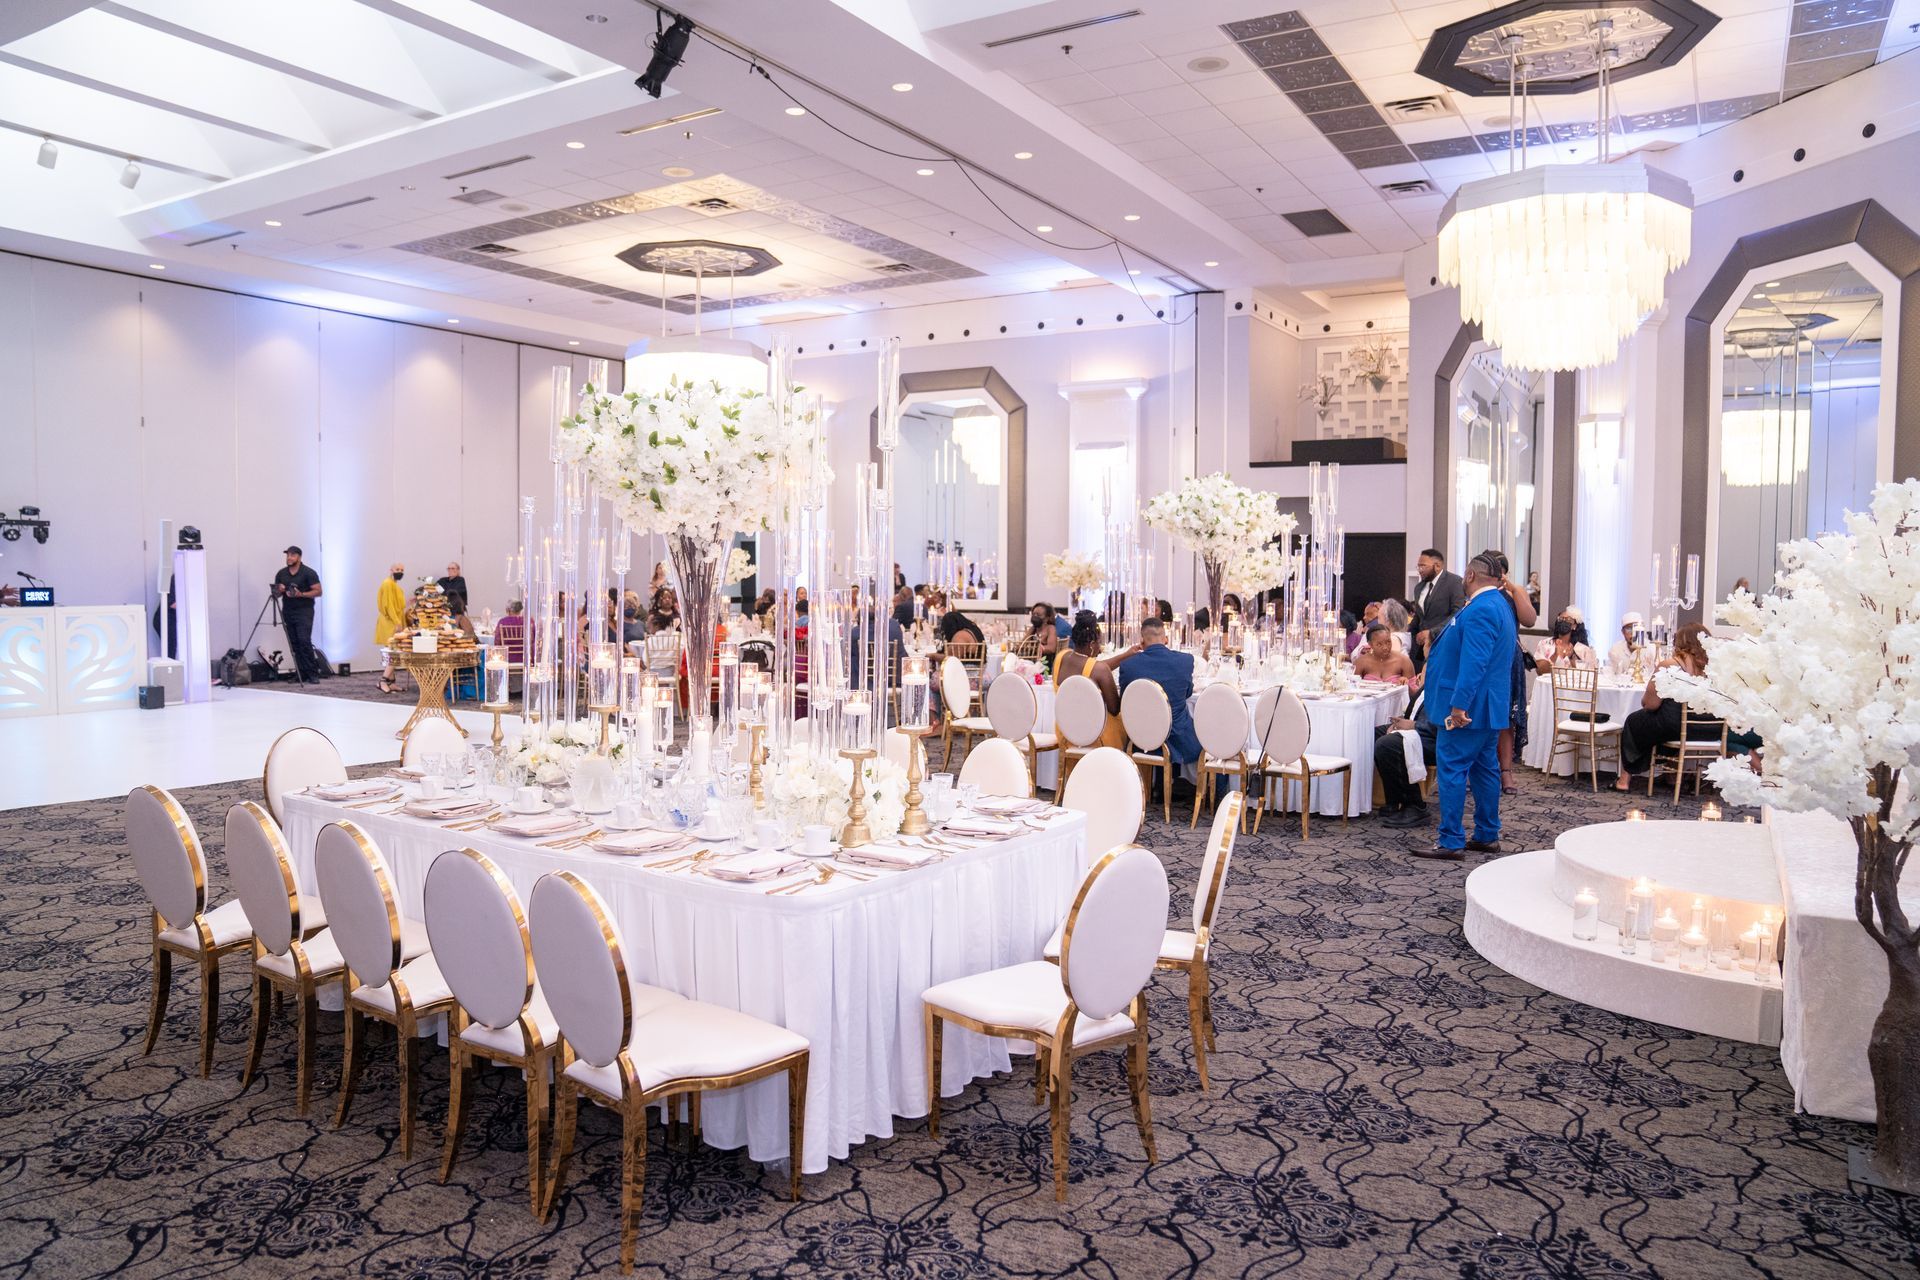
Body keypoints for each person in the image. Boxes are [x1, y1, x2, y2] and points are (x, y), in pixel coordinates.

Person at [1413, 553, 1516, 861]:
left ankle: (1451, 839)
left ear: (1470, 576)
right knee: (1485, 769)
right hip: (1487, 707)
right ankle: (1486, 834)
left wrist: (1459, 706)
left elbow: (1476, 663)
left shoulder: (1482, 609)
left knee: (1453, 768)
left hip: (1468, 708)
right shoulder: (1498, 604)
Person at [1616, 623, 1720, 791]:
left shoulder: (1670, 664)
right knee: (1665, 721)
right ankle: (1671, 776)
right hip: (1711, 727)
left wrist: (1647, 703)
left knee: (1634, 721)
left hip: (1677, 726)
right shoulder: (1716, 667)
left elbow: (1650, 704)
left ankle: (1623, 780)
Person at [1114, 618, 1201, 765]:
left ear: (1142, 641)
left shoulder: (1128, 666)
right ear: (1165, 639)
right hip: (1180, 740)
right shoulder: (1185, 661)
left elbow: (1125, 701)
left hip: (1140, 741)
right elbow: (1187, 693)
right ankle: (1213, 788)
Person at [1053, 610, 1128, 751]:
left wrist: (1126, 655)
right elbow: (1114, 708)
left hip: (1066, 733)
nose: (1100, 648)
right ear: (1092, 644)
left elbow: (1092, 668)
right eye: (1099, 643)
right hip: (1096, 737)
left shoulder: (1061, 657)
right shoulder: (1100, 670)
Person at [1376, 681, 1436, 828]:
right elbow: (1416, 711)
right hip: (1419, 730)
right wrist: (1399, 724)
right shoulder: (1431, 681)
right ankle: (1393, 800)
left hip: (1436, 740)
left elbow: (1446, 723)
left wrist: (1413, 726)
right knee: (1374, 734)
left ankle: (1415, 805)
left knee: (1388, 745)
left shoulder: (1449, 681)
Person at [272, 545, 323, 681]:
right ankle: (301, 674)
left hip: (304, 611)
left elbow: (318, 591)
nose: (289, 557)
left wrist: (301, 594)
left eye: (292, 555)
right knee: (294, 643)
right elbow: (276, 595)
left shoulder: (308, 573)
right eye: (288, 555)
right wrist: (279, 590)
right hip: (288, 610)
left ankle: (312, 673)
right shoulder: (281, 573)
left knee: (304, 641)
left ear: (299, 557)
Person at [1411, 548, 1465, 669]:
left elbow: (1457, 614)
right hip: (1421, 647)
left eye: (1423, 566)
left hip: (1444, 642)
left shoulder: (1454, 582)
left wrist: (1432, 632)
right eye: (1418, 566)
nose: (1420, 570)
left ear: (1438, 566)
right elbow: (1420, 616)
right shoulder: (1419, 587)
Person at [375, 562, 407, 693]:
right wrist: (397, 622)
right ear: (391, 570)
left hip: (395, 621)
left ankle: (391, 682)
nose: (399, 571)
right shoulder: (388, 583)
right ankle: (382, 681)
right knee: (395, 654)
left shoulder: (394, 584)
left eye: (402, 569)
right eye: (397, 569)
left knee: (392, 653)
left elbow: (397, 604)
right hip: (390, 623)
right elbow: (388, 606)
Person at [1532, 619, 1597, 672]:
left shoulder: (1581, 649)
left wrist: (1571, 659)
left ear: (1574, 625)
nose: (1564, 621)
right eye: (1561, 618)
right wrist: (1555, 655)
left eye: (1567, 619)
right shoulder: (1545, 643)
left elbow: (1591, 674)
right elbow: (1539, 671)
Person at [494, 599, 526, 664]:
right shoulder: (528, 621)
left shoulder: (502, 622)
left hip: (507, 658)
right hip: (525, 658)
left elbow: (497, 643)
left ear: (508, 610)